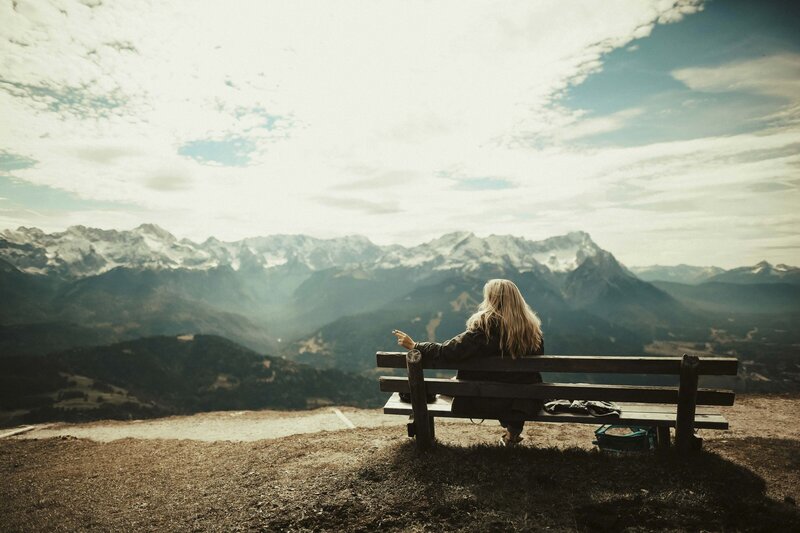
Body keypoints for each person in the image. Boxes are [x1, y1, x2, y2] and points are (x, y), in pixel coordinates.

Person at [392, 278, 544, 447]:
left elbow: (448, 352)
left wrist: (416, 346)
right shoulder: (532, 331)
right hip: (522, 401)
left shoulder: (484, 328)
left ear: (491, 300)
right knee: (514, 386)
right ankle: (512, 435)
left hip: (483, 397)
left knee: (447, 386)